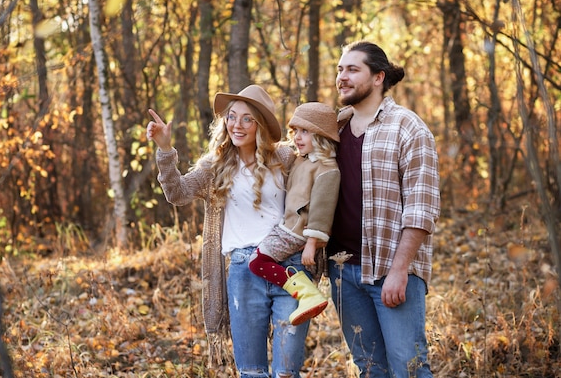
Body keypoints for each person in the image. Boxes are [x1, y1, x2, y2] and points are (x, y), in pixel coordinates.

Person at [147, 84, 312, 378]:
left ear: (260, 124)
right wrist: (164, 150)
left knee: (287, 371)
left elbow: (319, 176)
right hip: (243, 271)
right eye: (232, 116)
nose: (237, 124)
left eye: (247, 118)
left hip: (290, 268)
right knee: (251, 372)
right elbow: (178, 194)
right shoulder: (215, 166)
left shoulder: (286, 159)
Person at [327, 41, 441, 378]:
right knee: (370, 368)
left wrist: (400, 269)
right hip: (343, 272)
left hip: (390, 270)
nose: (342, 77)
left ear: (378, 77)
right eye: (339, 69)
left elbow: (422, 209)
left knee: (409, 366)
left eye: (351, 69)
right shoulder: (335, 129)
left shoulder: (408, 128)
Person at [248, 102, 340, 326]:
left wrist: (312, 242)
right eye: (295, 131)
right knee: (258, 261)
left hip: (297, 232)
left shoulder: (328, 169)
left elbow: (322, 210)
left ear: (320, 135)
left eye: (305, 132)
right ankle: (305, 293)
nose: (297, 137)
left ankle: (307, 294)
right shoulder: (301, 159)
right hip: (289, 226)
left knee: (256, 262)